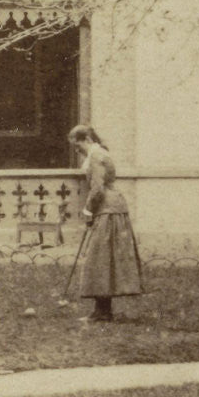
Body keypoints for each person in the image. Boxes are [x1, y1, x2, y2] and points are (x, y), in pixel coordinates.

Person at [68, 125, 143, 322]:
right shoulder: (100, 154)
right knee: (103, 260)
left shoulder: (96, 156)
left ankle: (102, 311)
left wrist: (87, 210)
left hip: (108, 209)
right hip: (111, 208)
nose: (77, 151)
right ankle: (103, 310)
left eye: (78, 146)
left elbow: (98, 189)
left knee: (100, 259)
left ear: (86, 139)